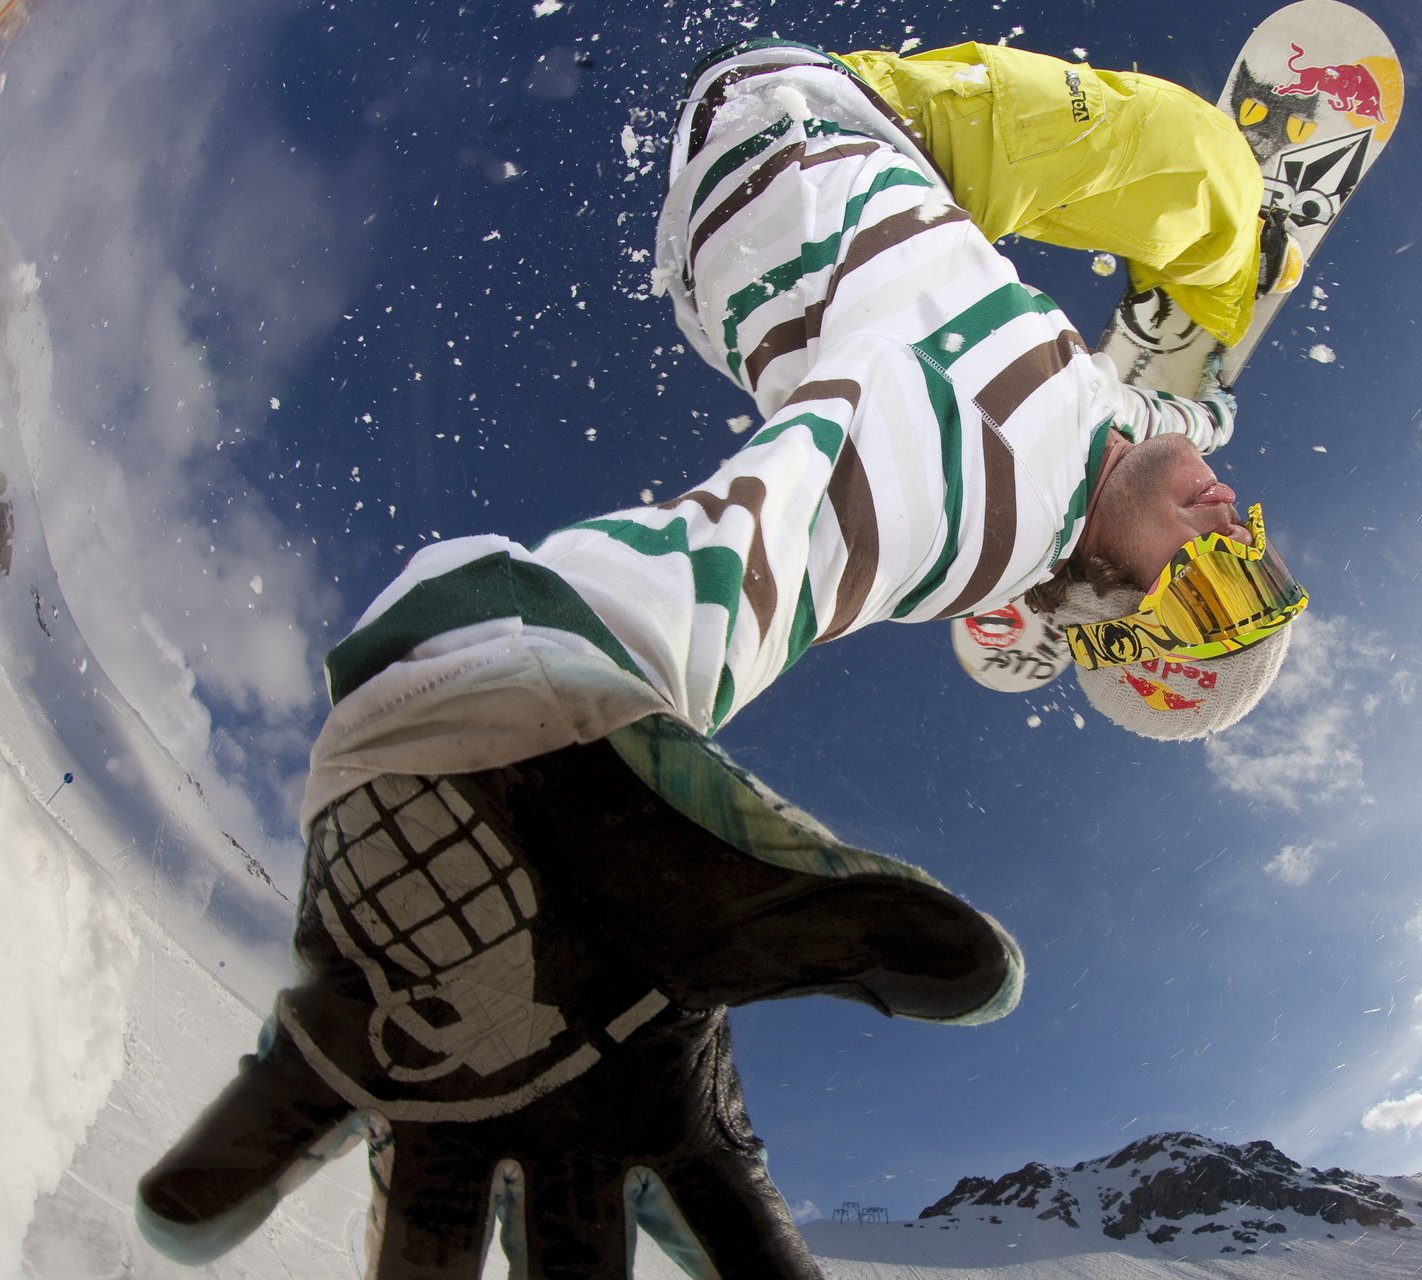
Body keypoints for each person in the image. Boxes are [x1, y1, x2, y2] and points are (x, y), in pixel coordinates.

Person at [136, 40, 1305, 1279]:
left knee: (1213, 182)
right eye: (1266, 561)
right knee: (1164, 424)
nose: (1239, 525)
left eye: (1224, 585)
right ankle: (1100, 495)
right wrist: (1178, 430)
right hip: (797, 274)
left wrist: (507, 700)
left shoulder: (971, 482)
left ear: (1118, 619)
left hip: (814, 133)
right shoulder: (1098, 465)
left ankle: (1199, 303)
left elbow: (762, 558)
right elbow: (1156, 467)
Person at [834, 41, 1302, 351]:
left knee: (849, 95)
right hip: (988, 163)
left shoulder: (1232, 152)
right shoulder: (1224, 256)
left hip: (998, 84)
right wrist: (1220, 350)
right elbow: (1218, 297)